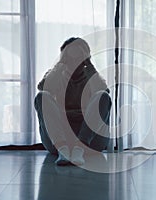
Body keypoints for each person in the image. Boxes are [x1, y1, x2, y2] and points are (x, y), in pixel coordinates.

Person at [34, 37, 111, 166]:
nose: (74, 61)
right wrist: (61, 64)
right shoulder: (57, 75)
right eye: (70, 57)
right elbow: (43, 88)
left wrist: (88, 64)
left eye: (79, 57)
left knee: (102, 95)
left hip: (91, 142)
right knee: (42, 96)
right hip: (59, 140)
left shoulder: (91, 76)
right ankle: (63, 149)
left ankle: (79, 148)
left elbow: (104, 92)